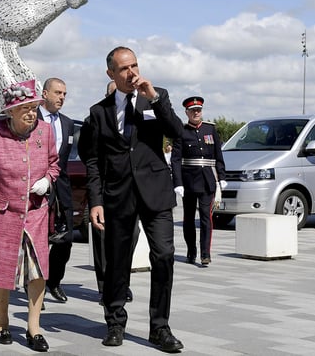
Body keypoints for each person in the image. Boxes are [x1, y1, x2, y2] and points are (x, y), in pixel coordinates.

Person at [81, 46, 184, 351]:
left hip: (156, 193)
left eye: (135, 66)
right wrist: (96, 201)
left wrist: (154, 98)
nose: (131, 73)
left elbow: (176, 132)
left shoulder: (156, 97)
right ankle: (115, 322)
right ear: (111, 73)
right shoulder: (98, 112)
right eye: (124, 68)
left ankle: (160, 327)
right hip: (117, 196)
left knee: (164, 255)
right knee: (117, 262)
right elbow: (93, 161)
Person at [0, 79, 59, 352]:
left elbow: (54, 164)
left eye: (34, 107)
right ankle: (2, 322)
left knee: (39, 271)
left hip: (36, 214)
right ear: (11, 111)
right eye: (25, 108)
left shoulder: (44, 132)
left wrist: (48, 180)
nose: (32, 113)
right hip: (2, 214)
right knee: (3, 270)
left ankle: (34, 329)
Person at [80, 80, 139, 305]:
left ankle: (123, 282)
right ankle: (106, 287)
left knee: (131, 237)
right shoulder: (94, 118)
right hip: (106, 188)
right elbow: (88, 154)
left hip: (131, 191)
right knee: (104, 241)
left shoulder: (135, 118)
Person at [170, 96, 227, 267]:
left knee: (206, 218)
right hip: (188, 181)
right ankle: (191, 251)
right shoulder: (181, 131)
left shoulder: (210, 129)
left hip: (207, 180)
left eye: (199, 110)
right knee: (188, 219)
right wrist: (178, 183)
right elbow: (175, 159)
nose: (196, 113)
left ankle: (205, 254)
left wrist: (222, 177)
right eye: (193, 110)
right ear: (187, 112)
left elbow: (218, 155)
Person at [37, 77, 75, 303]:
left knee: (66, 238)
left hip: (62, 187)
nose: (61, 97)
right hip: (38, 187)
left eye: (64, 94)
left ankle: (54, 281)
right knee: (38, 240)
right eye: (58, 93)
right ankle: (35, 287)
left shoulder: (68, 123)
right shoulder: (32, 117)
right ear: (45, 94)